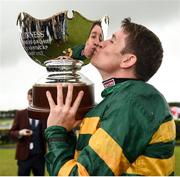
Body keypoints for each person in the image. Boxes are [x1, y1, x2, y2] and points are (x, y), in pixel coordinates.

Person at [44, 18, 176, 176]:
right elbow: (81, 162)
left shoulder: (133, 101)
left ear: (127, 60)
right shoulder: (118, 98)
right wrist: (66, 131)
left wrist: (56, 132)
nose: (100, 43)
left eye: (112, 40)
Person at [9, 89, 46, 176]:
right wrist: (20, 133)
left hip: (39, 157)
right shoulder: (20, 114)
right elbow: (11, 132)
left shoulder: (44, 115)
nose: (32, 101)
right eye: (30, 99)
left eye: (34, 99)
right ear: (27, 98)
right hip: (24, 157)